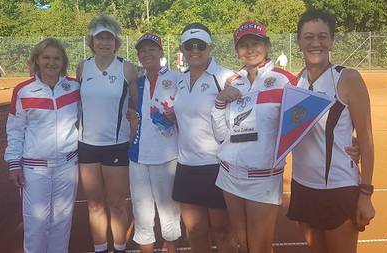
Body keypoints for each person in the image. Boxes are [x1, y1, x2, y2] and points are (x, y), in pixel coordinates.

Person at [288, 9, 376, 253]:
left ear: (332, 40)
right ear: (299, 41)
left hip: (339, 189)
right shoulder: (295, 83)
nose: (315, 43)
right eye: (308, 37)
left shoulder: (347, 79)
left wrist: (366, 194)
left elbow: (366, 141)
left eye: (322, 36)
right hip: (303, 187)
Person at [211, 21, 298, 253]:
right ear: (237, 50)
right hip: (230, 175)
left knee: (260, 248)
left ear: (267, 45)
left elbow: (307, 121)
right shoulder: (233, 81)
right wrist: (219, 102)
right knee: (242, 245)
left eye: (255, 43)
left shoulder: (286, 80)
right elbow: (221, 134)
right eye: (243, 45)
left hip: (263, 178)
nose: (250, 49)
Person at [4, 38, 80, 253]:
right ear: (37, 60)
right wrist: (13, 164)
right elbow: (15, 129)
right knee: (36, 224)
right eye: (46, 57)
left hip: (67, 165)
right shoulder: (23, 91)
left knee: (62, 222)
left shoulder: (74, 87)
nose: (51, 62)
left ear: (63, 61)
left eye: (56, 58)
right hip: (34, 168)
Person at [171, 23, 237, 253]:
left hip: (216, 165)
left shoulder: (226, 76)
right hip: (186, 165)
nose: (195, 50)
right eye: (189, 46)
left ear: (210, 48)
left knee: (222, 230)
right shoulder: (179, 80)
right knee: (195, 230)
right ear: (182, 49)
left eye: (200, 45)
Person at [77, 15, 138, 253]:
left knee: (116, 204)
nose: (104, 43)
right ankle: (100, 248)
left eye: (109, 38)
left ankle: (120, 248)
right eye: (99, 38)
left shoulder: (127, 68)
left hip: (116, 145)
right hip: (87, 146)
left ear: (116, 42)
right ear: (92, 41)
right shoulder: (83, 67)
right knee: (94, 205)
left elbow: (134, 105)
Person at [127, 33, 182, 253]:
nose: (147, 53)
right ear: (138, 56)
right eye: (142, 50)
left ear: (161, 52)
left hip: (167, 157)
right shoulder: (135, 84)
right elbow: (131, 115)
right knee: (142, 215)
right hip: (138, 157)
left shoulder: (178, 78)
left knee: (169, 214)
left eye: (152, 49)